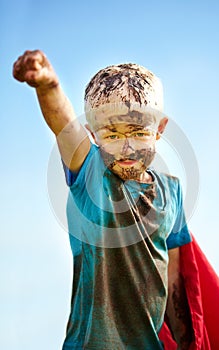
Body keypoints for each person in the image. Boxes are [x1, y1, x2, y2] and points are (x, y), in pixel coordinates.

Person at [13, 50, 194, 349]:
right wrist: (48, 85)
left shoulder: (171, 191)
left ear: (159, 130)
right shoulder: (90, 170)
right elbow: (64, 125)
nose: (126, 147)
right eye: (111, 133)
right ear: (93, 135)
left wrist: (188, 344)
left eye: (137, 131)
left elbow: (175, 280)